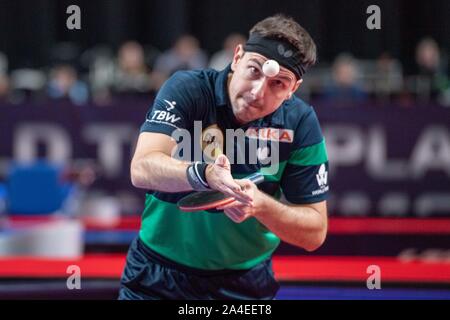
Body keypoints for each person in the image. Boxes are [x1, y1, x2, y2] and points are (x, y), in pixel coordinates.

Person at [119, 14, 329, 300]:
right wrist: (203, 174)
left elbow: (314, 233)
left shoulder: (300, 121)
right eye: (255, 70)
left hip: (243, 285)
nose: (258, 93)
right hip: (156, 275)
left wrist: (260, 206)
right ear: (237, 57)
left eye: (279, 83)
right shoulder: (189, 89)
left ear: (294, 89)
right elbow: (141, 168)